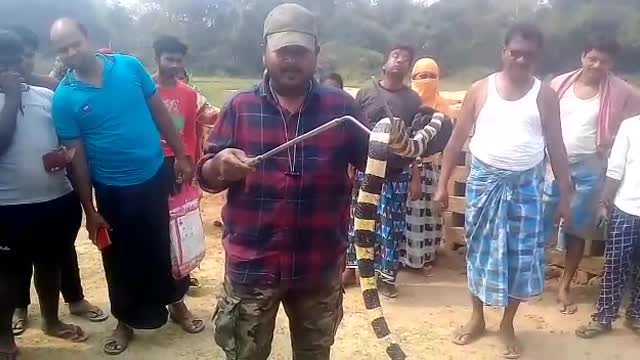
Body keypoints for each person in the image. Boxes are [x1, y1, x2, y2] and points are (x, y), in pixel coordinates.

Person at [197, 4, 368, 359]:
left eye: (301, 53)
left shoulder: (341, 108)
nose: (291, 61)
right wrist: (220, 166)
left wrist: (403, 145)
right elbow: (206, 175)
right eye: (283, 52)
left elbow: (380, 164)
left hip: (318, 265)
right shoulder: (240, 106)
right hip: (253, 264)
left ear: (316, 55)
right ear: (265, 52)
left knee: (314, 354)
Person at [49, 18, 202, 356]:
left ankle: (176, 303)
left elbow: (160, 112)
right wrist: (90, 211)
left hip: (153, 175)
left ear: (88, 37)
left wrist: (181, 154)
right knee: (118, 258)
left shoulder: (129, 67)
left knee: (166, 246)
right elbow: (78, 160)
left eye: (75, 43)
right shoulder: (64, 99)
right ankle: (125, 320)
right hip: (111, 190)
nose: (71, 52)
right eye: (63, 49)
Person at [435, 23, 573, 359]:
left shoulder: (545, 95)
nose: (521, 60)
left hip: (527, 188)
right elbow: (456, 142)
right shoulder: (479, 90)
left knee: (522, 259)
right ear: (504, 52)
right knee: (478, 252)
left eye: (529, 54)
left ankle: (508, 324)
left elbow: (556, 146)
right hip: (484, 184)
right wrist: (442, 185)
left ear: (537, 57)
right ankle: (477, 318)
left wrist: (567, 196)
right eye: (515, 52)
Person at [6, 25, 108, 338]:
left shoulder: (49, 94)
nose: (17, 66)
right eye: (7, 62)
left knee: (55, 259)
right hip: (10, 207)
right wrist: (11, 96)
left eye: (21, 59)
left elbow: (70, 136)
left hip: (55, 197)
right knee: (11, 268)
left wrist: (65, 155)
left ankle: (62, 311)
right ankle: (14, 317)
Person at [545, 37, 640, 315]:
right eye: (592, 58)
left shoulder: (621, 91)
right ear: (583, 56)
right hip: (551, 164)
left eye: (604, 61)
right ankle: (531, 280)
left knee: (577, 229)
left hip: (590, 167)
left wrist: (612, 139)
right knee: (539, 223)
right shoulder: (558, 85)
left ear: (611, 65)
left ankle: (565, 285)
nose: (597, 65)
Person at [344, 44, 421, 297]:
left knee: (392, 225)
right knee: (359, 221)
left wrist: (416, 177)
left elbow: (415, 141)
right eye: (396, 56)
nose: (400, 61)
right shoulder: (366, 92)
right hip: (365, 168)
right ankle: (352, 269)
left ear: (409, 68)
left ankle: (387, 277)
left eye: (406, 59)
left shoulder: (413, 100)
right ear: (385, 63)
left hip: (397, 172)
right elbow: (353, 132)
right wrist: (348, 165)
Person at [575, 115, 640, 338]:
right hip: (626, 209)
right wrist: (605, 203)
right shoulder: (630, 126)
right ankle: (604, 318)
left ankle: (637, 316)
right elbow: (615, 169)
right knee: (615, 266)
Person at [401, 57, 452, 271]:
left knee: (429, 213)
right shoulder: (408, 103)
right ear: (413, 78)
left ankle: (427, 255)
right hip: (408, 167)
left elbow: (449, 143)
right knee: (408, 213)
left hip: (434, 167)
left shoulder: (443, 108)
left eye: (431, 76)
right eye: (422, 76)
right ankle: (407, 257)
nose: (427, 80)